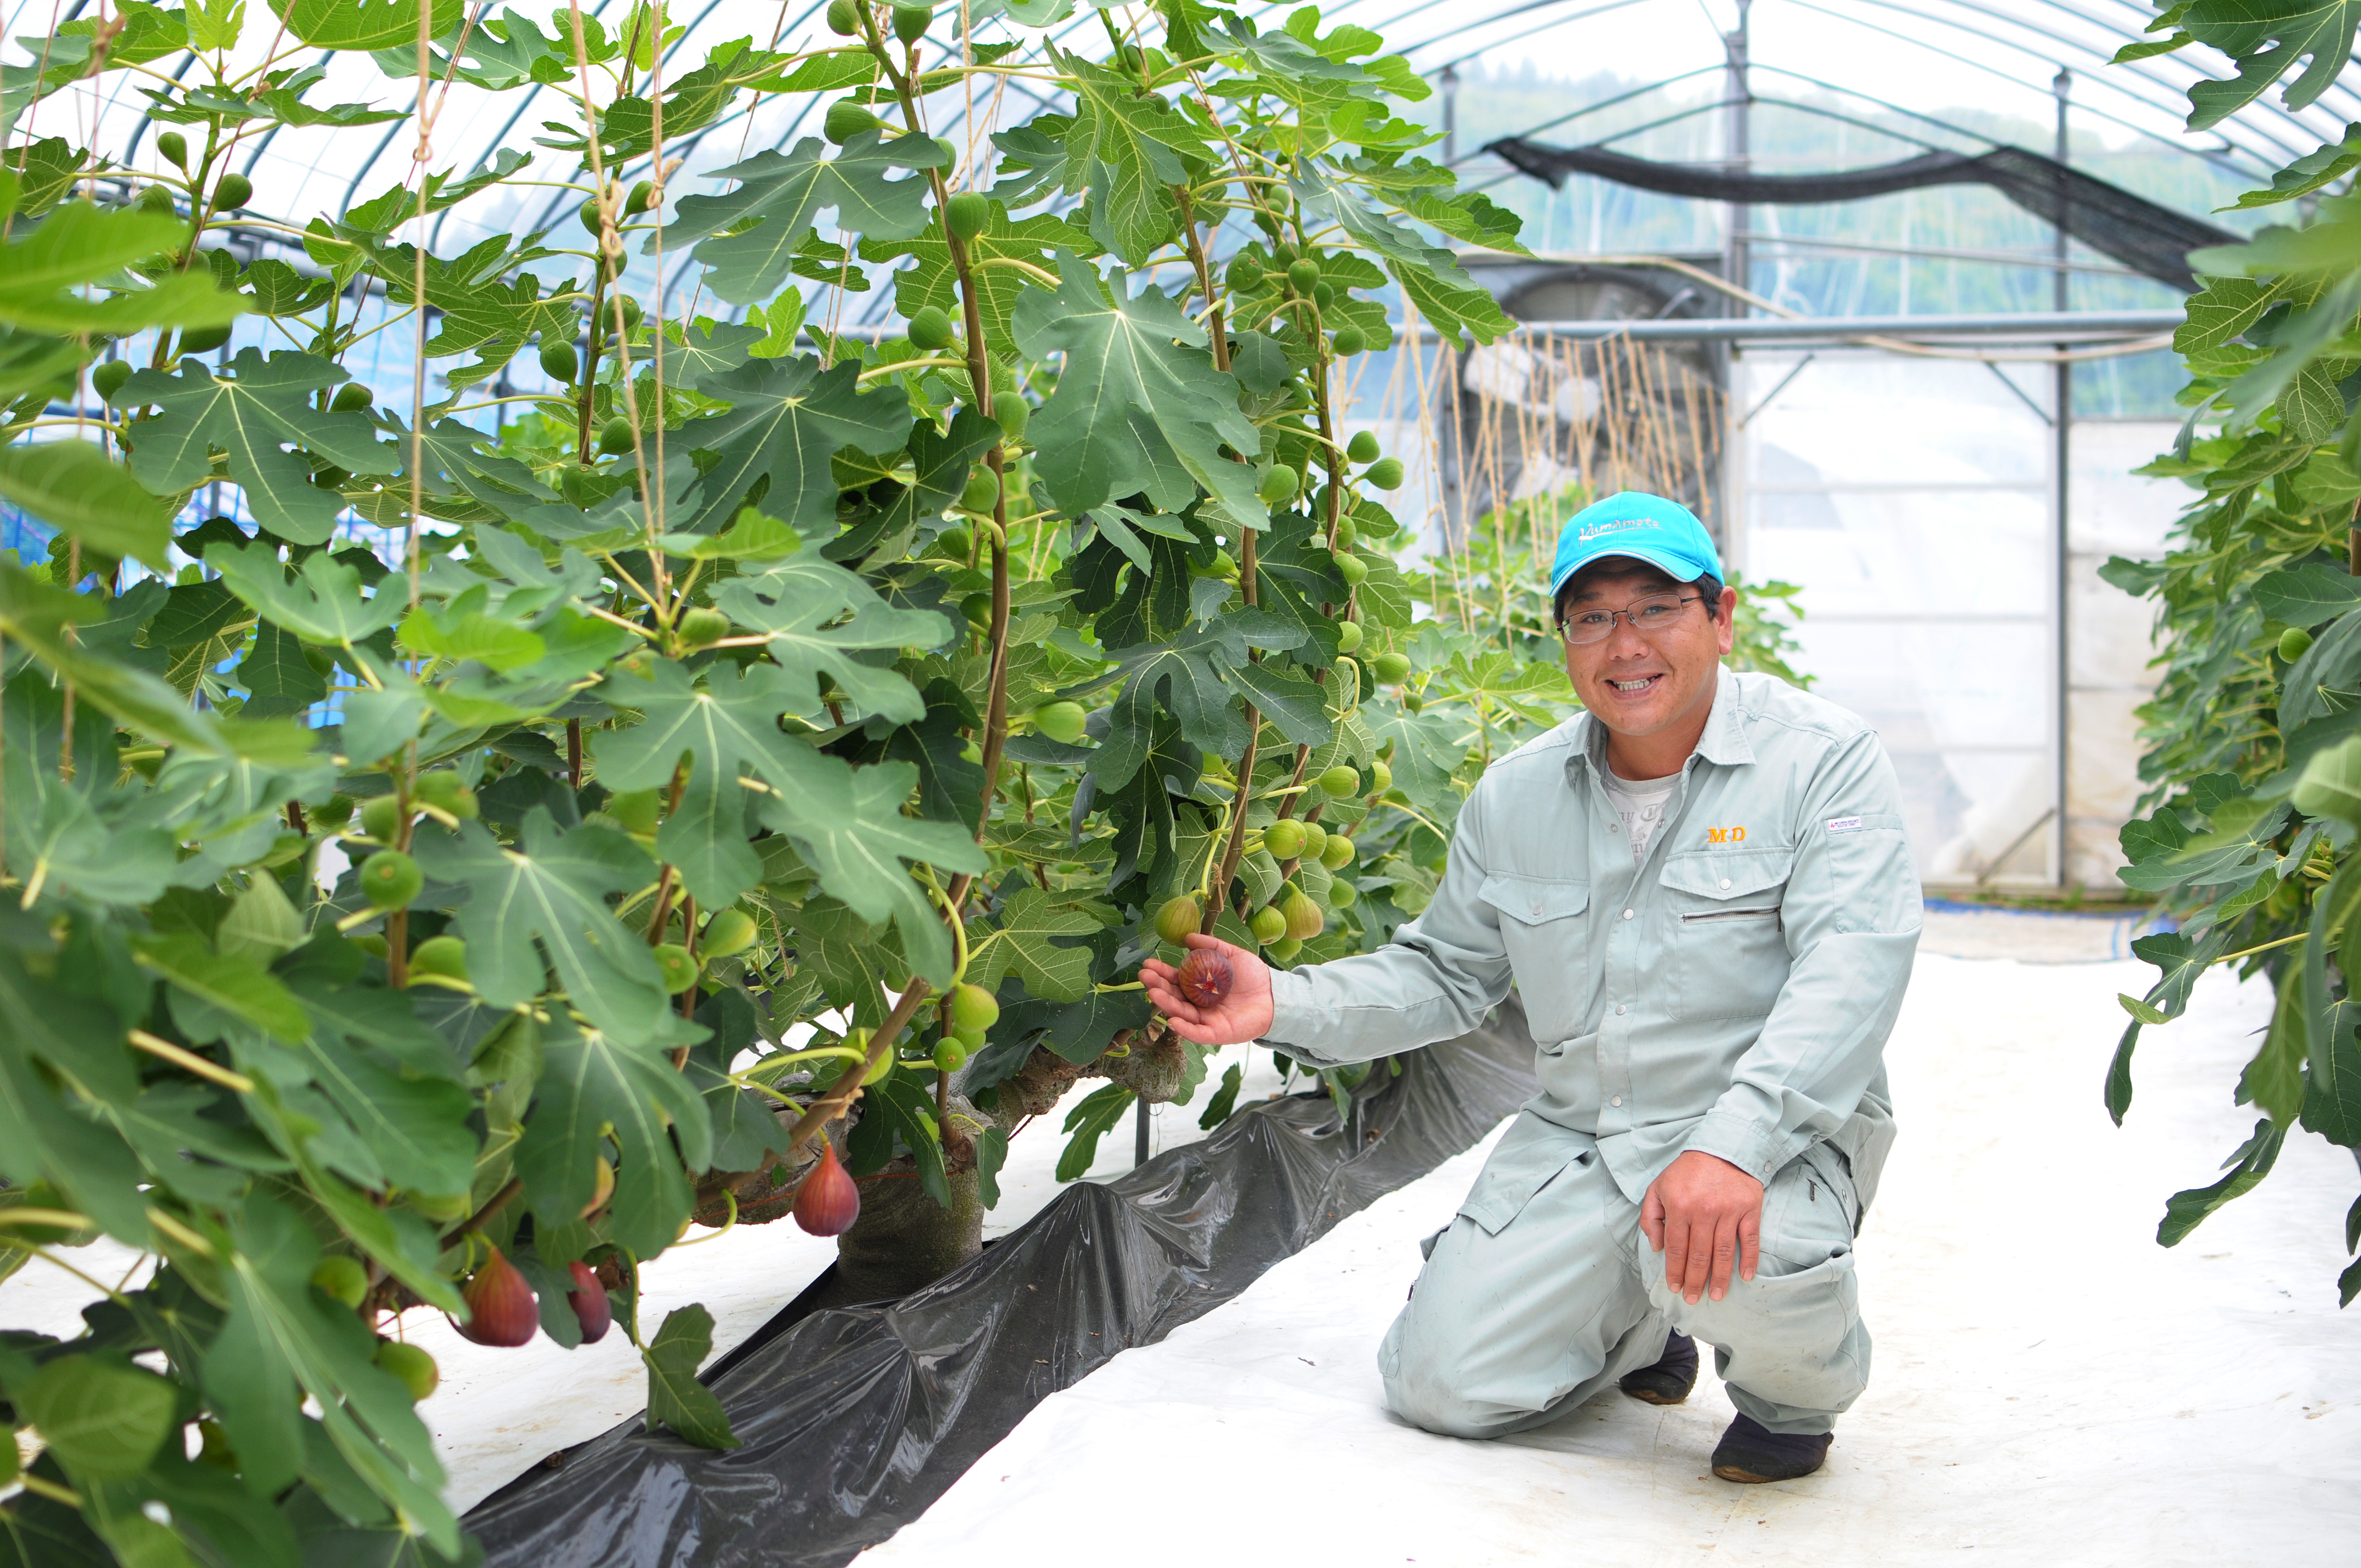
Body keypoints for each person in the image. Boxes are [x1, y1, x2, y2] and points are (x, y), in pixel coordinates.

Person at [1141, 490, 1920, 1484]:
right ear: (1565, 640)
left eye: (1655, 607)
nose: (1623, 643)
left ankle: (1792, 1400)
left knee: (1751, 1268)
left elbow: (1852, 966)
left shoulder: (1823, 760)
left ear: (1720, 619)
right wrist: (1281, 1003)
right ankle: (1639, 1326)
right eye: (1591, 617)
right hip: (1590, 1139)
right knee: (1439, 1388)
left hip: (1773, 1135)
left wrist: (1736, 1145)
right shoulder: (1518, 792)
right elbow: (1445, 974)